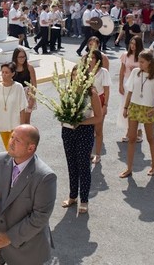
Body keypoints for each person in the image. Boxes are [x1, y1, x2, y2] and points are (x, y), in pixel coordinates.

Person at [0, 125, 57, 265]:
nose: (11, 142)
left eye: (17, 140)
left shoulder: (45, 177)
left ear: (31, 148)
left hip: (26, 249)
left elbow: (40, 216)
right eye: (12, 136)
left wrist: (9, 237)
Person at [58, 63, 103, 214]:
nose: (76, 78)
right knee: (71, 164)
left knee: (83, 166)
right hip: (68, 131)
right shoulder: (67, 91)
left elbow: (98, 117)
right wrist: (63, 118)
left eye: (79, 75)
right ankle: (72, 196)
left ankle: (84, 200)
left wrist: (81, 122)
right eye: (74, 75)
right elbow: (63, 109)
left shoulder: (92, 93)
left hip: (84, 132)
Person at [120, 50, 154, 178]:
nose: (139, 64)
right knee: (132, 138)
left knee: (150, 139)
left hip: (148, 109)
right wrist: (125, 107)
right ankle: (129, 168)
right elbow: (129, 91)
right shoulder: (135, 73)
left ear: (149, 62)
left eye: (142, 62)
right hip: (134, 107)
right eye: (139, 61)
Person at [0, 62, 28, 150]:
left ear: (13, 74)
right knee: (8, 150)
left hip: (15, 126)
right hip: (3, 126)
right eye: (2, 72)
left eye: (6, 72)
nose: (4, 75)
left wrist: (22, 128)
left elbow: (22, 109)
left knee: (15, 151)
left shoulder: (18, 87)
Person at [118, 36, 144, 143]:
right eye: (131, 43)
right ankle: (128, 130)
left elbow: (147, 70)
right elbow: (122, 70)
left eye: (135, 44)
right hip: (126, 82)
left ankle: (139, 131)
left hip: (139, 83)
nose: (132, 46)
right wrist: (120, 84)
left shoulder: (143, 55)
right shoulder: (125, 55)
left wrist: (137, 70)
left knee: (137, 106)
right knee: (126, 106)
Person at [88, 50, 110, 164]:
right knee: (88, 129)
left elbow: (106, 89)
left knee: (98, 129)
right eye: (89, 57)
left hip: (99, 100)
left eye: (93, 58)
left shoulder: (103, 72)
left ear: (97, 59)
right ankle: (88, 152)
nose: (91, 60)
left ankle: (97, 154)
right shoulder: (85, 70)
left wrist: (105, 105)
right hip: (87, 101)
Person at [11, 47, 37, 124]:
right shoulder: (12, 68)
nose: (22, 59)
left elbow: (34, 85)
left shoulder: (29, 68)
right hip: (15, 95)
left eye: (24, 56)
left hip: (27, 96)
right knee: (16, 121)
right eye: (20, 57)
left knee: (26, 122)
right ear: (15, 57)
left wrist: (32, 99)